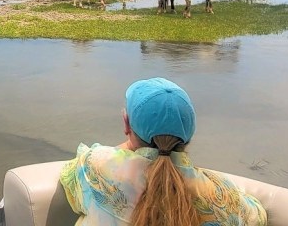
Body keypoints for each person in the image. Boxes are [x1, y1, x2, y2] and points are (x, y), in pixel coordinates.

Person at [59, 77, 267, 226]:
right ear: (189, 136)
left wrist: (126, 147)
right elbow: (257, 217)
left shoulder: (97, 167)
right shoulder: (220, 196)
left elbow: (70, 177)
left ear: (126, 125)